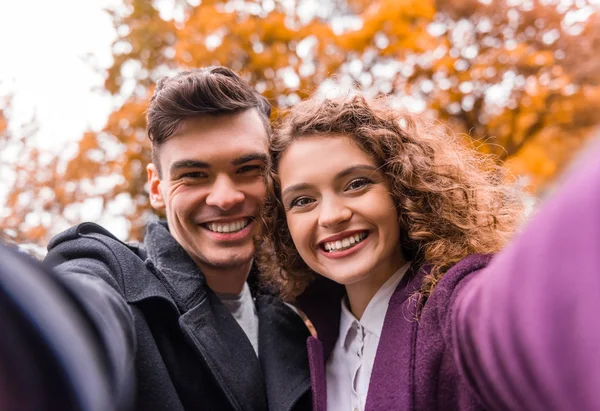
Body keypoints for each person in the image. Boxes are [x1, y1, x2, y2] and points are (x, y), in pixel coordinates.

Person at [259, 94, 600, 410]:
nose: (332, 216)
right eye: (303, 200)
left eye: (357, 183)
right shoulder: (304, 339)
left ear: (401, 188)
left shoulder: (453, 302)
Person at [43, 67, 312, 411]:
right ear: (158, 189)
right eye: (194, 175)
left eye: (247, 169)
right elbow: (74, 317)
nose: (225, 197)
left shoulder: (299, 311)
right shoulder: (111, 276)